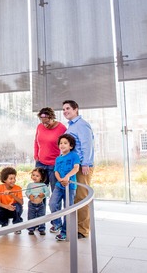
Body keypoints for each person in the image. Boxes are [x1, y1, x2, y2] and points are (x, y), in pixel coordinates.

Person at [62, 100, 94, 239]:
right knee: (74, 198)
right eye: (63, 109)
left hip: (82, 167)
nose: (65, 111)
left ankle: (83, 230)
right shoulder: (70, 127)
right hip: (74, 166)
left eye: (68, 108)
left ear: (76, 109)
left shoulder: (82, 125)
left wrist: (86, 163)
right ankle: (75, 228)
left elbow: (87, 145)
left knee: (82, 197)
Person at [33, 106, 66, 232]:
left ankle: (56, 223)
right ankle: (39, 222)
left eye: (47, 122)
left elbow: (66, 144)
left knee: (55, 196)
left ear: (52, 117)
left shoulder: (61, 128)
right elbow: (36, 141)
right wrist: (36, 155)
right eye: (42, 122)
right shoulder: (40, 127)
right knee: (39, 194)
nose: (44, 125)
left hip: (54, 165)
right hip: (40, 164)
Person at [50, 133, 80, 241]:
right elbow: (56, 171)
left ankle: (64, 233)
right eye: (61, 143)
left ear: (70, 146)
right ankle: (57, 223)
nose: (62, 145)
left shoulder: (74, 155)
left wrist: (67, 177)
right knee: (52, 203)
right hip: (59, 186)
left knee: (68, 209)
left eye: (65, 143)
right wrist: (60, 180)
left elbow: (76, 168)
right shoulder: (58, 158)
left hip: (70, 187)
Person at [0, 166, 24, 234]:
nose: (13, 180)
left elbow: (21, 202)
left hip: (14, 210)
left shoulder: (18, 188)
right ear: (5, 180)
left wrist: (12, 194)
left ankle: (17, 226)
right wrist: (7, 206)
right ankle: (4, 223)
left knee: (17, 206)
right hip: (4, 209)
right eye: (11, 179)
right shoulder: (0, 187)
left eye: (14, 178)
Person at [25, 167, 50, 235]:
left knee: (41, 216)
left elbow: (48, 193)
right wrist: (29, 195)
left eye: (37, 176)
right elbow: (27, 192)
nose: (34, 177)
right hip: (31, 204)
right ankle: (31, 229)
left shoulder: (43, 185)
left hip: (40, 205)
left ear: (41, 177)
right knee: (31, 216)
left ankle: (41, 229)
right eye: (33, 175)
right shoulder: (30, 185)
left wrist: (43, 195)